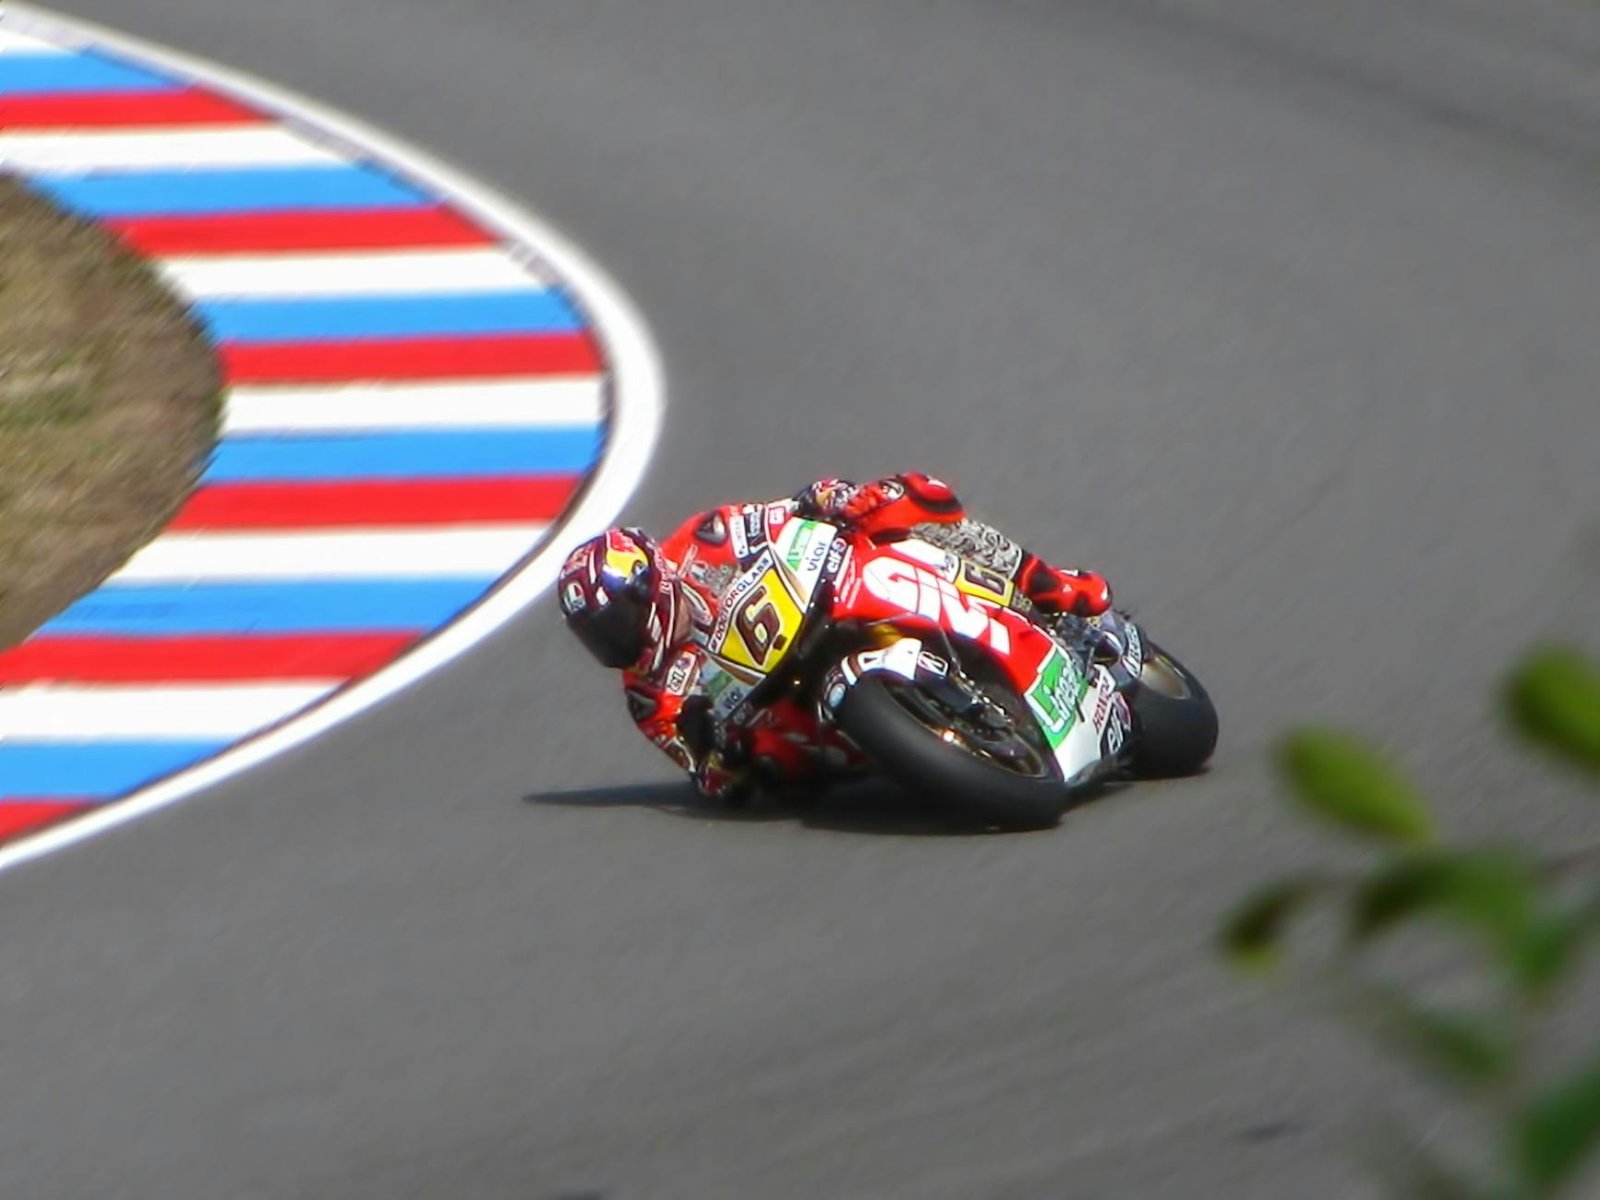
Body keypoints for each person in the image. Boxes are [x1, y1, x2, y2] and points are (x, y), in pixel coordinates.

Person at [557, 473, 1112, 800]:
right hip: (795, 711)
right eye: (598, 636)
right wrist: (722, 754)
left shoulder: (706, 538)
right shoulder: (647, 696)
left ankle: (1055, 589)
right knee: (785, 774)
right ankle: (936, 743)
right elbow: (711, 780)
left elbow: (783, 514)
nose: (614, 642)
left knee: (907, 512)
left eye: (615, 622)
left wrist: (830, 499)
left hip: (826, 603)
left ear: (650, 583)